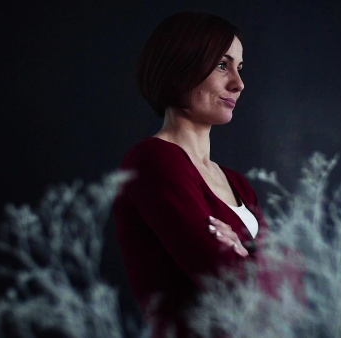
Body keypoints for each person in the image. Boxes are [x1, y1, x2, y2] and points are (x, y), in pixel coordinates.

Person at [113, 12, 271, 337]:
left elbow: (295, 293)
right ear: (180, 68)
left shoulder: (238, 183)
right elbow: (228, 284)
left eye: (239, 68)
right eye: (221, 65)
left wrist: (247, 252)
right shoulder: (153, 161)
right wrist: (266, 260)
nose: (238, 84)